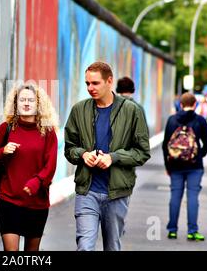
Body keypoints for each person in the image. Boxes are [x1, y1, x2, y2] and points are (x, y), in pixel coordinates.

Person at [64, 61, 150, 251]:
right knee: (85, 247)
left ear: (109, 81)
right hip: (87, 190)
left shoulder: (131, 110)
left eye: (95, 83)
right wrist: (83, 154)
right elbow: (70, 148)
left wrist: (114, 157)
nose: (90, 88)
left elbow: (143, 152)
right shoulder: (79, 110)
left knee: (112, 247)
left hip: (117, 193)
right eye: (87, 83)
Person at [0, 83, 59, 251]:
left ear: (38, 104)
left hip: (37, 203)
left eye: (30, 100)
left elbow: (50, 166)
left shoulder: (48, 132)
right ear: (15, 104)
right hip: (9, 201)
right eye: (22, 100)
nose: (26, 103)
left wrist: (36, 183)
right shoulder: (6, 128)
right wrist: (2, 151)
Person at [162, 93, 207, 241]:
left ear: (181, 104)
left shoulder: (172, 120)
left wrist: (168, 165)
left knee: (175, 196)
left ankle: (172, 230)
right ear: (195, 104)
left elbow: (166, 145)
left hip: (175, 165)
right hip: (194, 166)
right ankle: (192, 231)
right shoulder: (200, 120)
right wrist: (198, 156)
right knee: (192, 197)